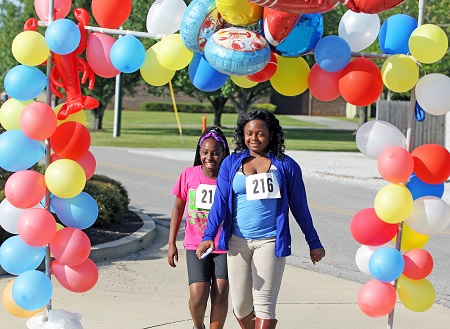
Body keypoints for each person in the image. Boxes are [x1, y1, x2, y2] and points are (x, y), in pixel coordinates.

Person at [196, 110, 326, 329]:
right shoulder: (231, 163)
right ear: (242, 135)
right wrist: (209, 235)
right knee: (240, 306)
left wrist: (314, 242)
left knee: (265, 305)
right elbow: (219, 203)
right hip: (237, 241)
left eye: (260, 133)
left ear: (272, 135)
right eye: (249, 133)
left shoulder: (286, 166)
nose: (254, 138)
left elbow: (300, 207)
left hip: (270, 241)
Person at [168, 127, 231, 329]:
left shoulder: (229, 177)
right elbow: (178, 209)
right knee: (198, 296)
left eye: (215, 152)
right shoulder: (188, 175)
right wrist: (171, 243)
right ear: (199, 153)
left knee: (220, 294)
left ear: (223, 154)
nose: (209, 157)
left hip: (223, 244)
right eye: (205, 152)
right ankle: (198, 326)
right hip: (195, 244)